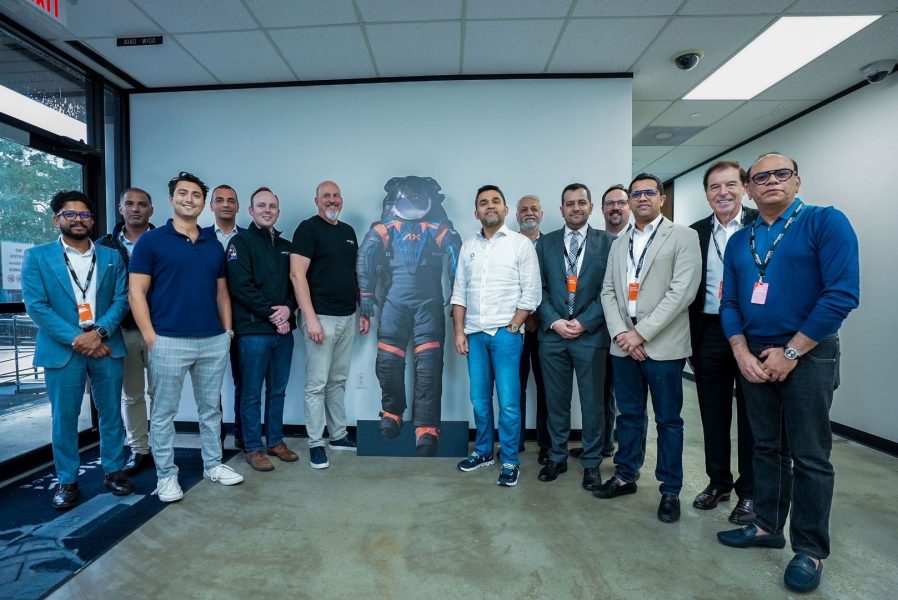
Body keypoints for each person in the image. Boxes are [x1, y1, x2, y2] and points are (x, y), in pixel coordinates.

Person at [716, 153, 859, 593]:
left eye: (781, 174)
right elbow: (729, 302)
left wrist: (792, 351)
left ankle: (810, 550)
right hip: (754, 355)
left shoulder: (824, 222)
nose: (771, 181)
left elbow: (841, 294)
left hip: (809, 354)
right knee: (765, 447)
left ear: (797, 181)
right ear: (749, 189)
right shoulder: (741, 240)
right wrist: (741, 352)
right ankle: (766, 525)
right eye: (761, 177)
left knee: (810, 454)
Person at [129, 171, 244, 503]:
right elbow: (136, 293)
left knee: (210, 410)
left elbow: (222, 293)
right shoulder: (151, 241)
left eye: (195, 195)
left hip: (212, 340)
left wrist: (227, 331)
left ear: (203, 203)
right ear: (171, 199)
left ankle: (213, 465)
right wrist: (151, 337)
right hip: (168, 340)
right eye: (183, 193)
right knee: (164, 413)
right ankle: (166, 476)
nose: (189, 199)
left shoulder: (212, 244)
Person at [596, 173, 701, 524]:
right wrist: (622, 334)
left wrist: (640, 334)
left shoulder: (683, 236)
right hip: (623, 345)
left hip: (664, 346)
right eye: (636, 194)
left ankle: (670, 490)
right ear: (629, 201)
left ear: (661, 198)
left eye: (649, 193)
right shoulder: (619, 243)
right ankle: (625, 475)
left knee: (668, 420)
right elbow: (608, 292)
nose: (642, 198)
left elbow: (682, 293)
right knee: (629, 416)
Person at [22, 190, 133, 509]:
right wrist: (78, 338)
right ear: (56, 219)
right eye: (69, 214)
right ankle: (67, 480)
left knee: (111, 412)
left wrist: (99, 333)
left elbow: (121, 299)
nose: (78, 219)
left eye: (84, 214)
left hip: (106, 344)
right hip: (63, 349)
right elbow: (37, 306)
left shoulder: (111, 257)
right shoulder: (38, 256)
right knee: (65, 417)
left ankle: (114, 470)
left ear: (92, 221)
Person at [356, 176, 461, 457]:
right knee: (387, 362)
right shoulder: (385, 228)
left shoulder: (438, 228)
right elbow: (365, 257)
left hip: (429, 306)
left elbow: (456, 256)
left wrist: (458, 295)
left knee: (429, 366)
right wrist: (365, 294)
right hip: (394, 305)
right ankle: (392, 411)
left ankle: (426, 426)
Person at [451, 185, 540, 488]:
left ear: (505, 209)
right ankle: (484, 451)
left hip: (506, 334)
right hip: (475, 334)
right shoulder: (468, 246)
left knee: (509, 402)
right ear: (476, 212)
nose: (489, 206)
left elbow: (531, 292)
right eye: (483, 203)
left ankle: (510, 460)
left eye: (495, 201)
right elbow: (459, 292)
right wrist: (459, 331)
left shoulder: (520, 244)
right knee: (479, 400)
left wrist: (514, 327)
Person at [687, 161, 758, 524]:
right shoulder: (695, 233)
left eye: (730, 184)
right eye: (715, 187)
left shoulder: (761, 225)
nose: (723, 192)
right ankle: (718, 482)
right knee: (713, 413)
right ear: (707, 194)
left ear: (744, 188)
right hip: (710, 331)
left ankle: (750, 492)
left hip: (753, 331)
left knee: (752, 415)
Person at [535, 183, 614, 491]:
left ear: (591, 207)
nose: (576, 208)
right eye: (570, 203)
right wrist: (554, 321)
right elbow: (537, 288)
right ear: (562, 209)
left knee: (593, 403)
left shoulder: (608, 242)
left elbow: (610, 290)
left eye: (582, 202)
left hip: (590, 335)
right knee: (556, 402)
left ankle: (591, 463)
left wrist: (584, 321)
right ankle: (557, 456)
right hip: (553, 336)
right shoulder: (545, 244)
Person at [290, 181, 370, 470]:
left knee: (337, 380)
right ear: (317, 201)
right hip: (320, 318)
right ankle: (315, 442)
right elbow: (297, 275)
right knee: (316, 384)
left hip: (347, 316)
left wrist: (363, 310)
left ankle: (338, 435)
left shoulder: (348, 232)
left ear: (341, 200)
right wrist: (310, 318)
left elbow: (354, 274)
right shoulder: (307, 229)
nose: (332, 200)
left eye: (336, 196)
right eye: (326, 196)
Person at [226, 187, 298, 472]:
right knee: (252, 392)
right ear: (250, 210)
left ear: (278, 211)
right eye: (261, 205)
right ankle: (254, 447)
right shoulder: (240, 243)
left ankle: (275, 441)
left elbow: (297, 284)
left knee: (278, 390)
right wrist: (273, 315)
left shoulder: (287, 246)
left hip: (283, 332)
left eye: (272, 206)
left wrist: (288, 309)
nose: (267, 210)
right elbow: (240, 287)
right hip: (253, 331)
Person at [98, 187, 156, 475]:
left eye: (142, 204)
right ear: (120, 208)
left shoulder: (165, 240)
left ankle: (161, 446)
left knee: (162, 395)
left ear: (151, 210)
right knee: (131, 395)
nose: (135, 209)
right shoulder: (104, 246)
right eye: (129, 204)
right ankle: (139, 449)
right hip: (124, 331)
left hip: (160, 331)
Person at [204, 184, 244, 449]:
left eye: (231, 200)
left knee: (244, 381)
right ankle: (214, 437)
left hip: (243, 318)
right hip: (210, 319)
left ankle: (242, 433)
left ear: (238, 206)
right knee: (210, 384)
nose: (226, 204)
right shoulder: (200, 237)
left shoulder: (249, 238)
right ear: (211, 206)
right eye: (220, 200)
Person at [515, 194, 549, 464]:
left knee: (547, 388)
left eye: (534, 209)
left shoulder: (552, 245)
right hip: (513, 327)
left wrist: (537, 315)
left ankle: (547, 445)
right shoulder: (508, 245)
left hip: (546, 329)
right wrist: (521, 317)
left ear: (541, 214)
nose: (529, 213)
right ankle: (513, 441)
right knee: (513, 388)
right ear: (516, 216)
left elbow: (556, 285)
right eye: (524, 209)